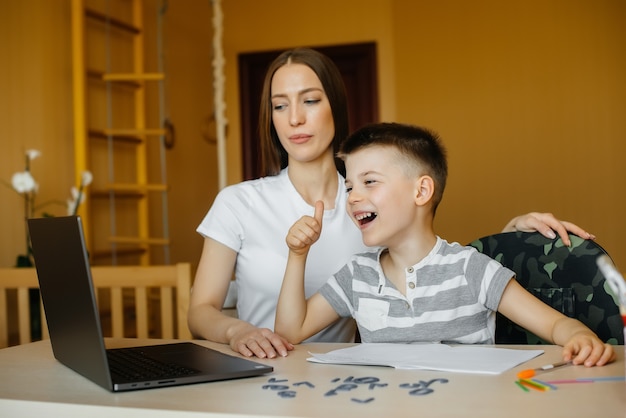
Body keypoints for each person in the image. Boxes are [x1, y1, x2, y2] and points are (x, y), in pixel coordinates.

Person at [188, 47, 596, 359]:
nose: (294, 118)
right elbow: (203, 310)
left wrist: (511, 240)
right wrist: (237, 331)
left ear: (335, 106)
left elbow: (433, 262)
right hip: (265, 370)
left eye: (310, 100)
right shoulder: (241, 202)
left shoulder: (373, 208)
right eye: (279, 105)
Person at [275, 122, 615, 367]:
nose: (354, 197)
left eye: (369, 182)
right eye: (349, 187)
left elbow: (555, 324)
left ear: (421, 191)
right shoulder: (357, 276)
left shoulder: (470, 268)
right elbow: (290, 330)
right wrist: (297, 255)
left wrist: (579, 337)